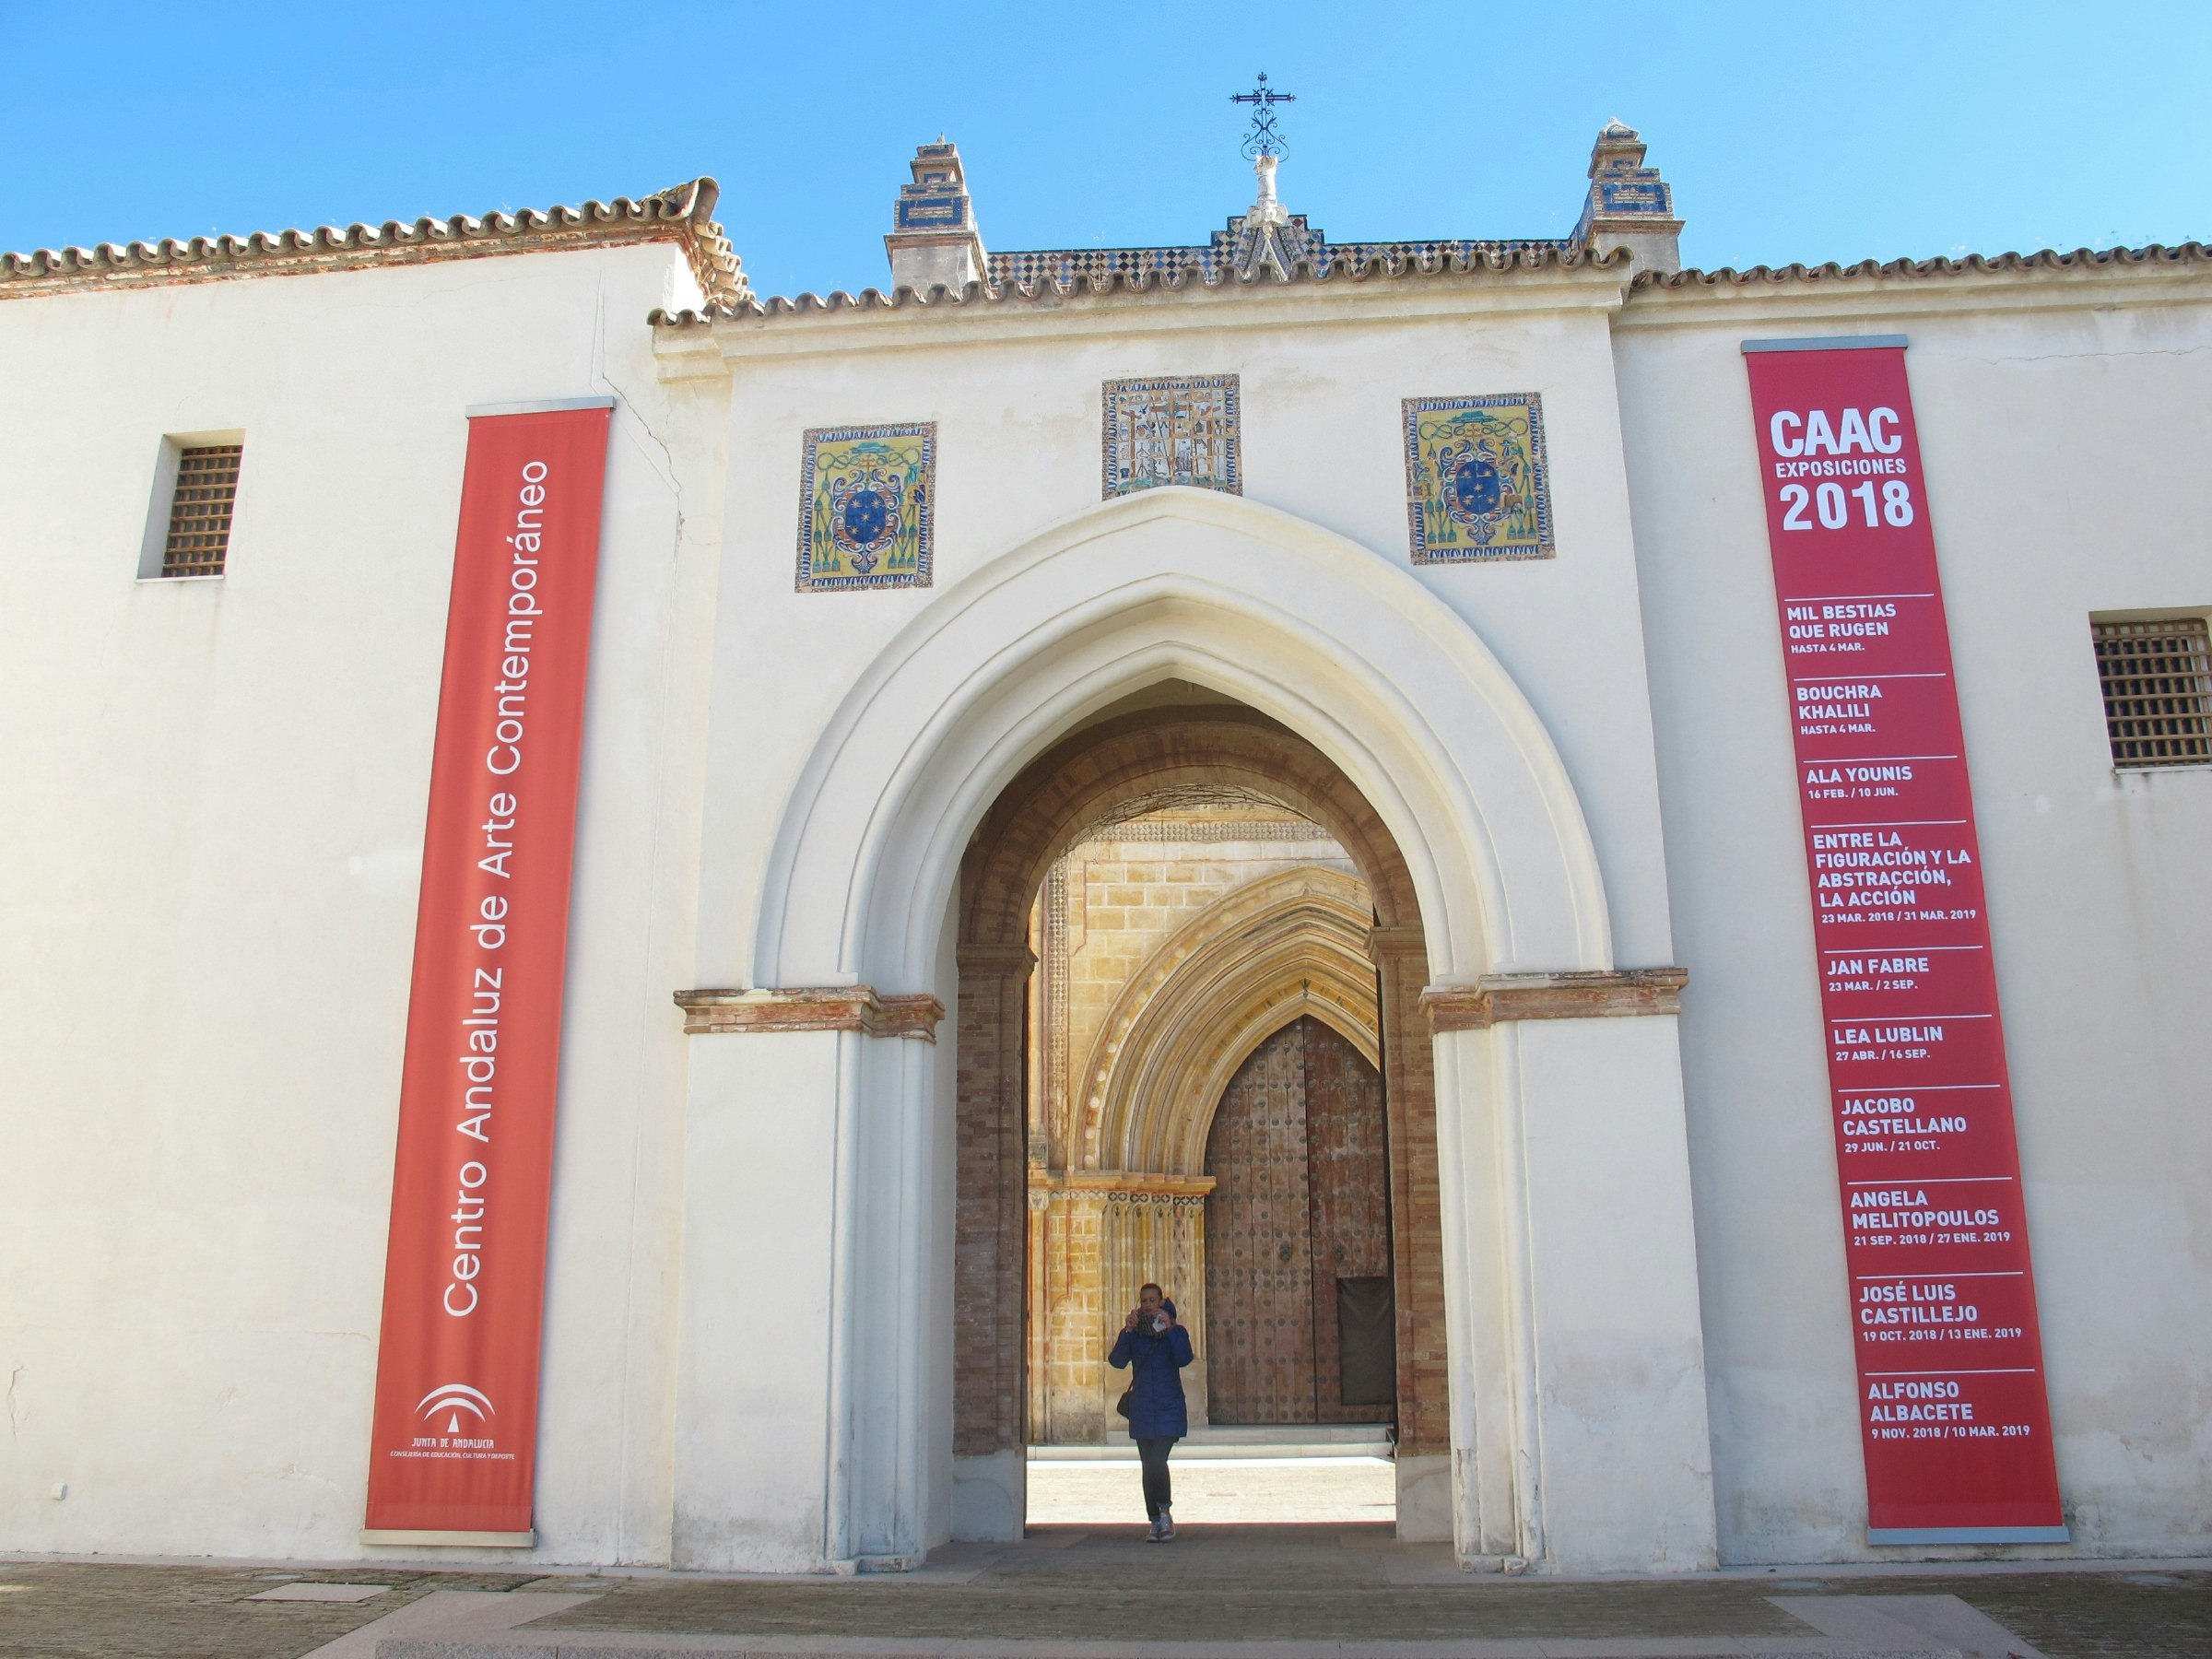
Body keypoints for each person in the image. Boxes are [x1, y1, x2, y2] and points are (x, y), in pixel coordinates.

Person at [1107, 1281, 1194, 1541]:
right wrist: (1126, 1332)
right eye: (1144, 1300)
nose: (1148, 1305)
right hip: (1143, 1407)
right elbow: (1117, 1362)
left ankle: (1165, 1512)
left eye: (1152, 1300)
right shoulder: (1135, 1333)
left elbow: (1184, 1358)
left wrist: (1171, 1330)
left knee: (1158, 1460)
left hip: (1168, 1406)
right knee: (1148, 1465)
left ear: (1161, 1301)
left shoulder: (1175, 1330)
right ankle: (1154, 1520)